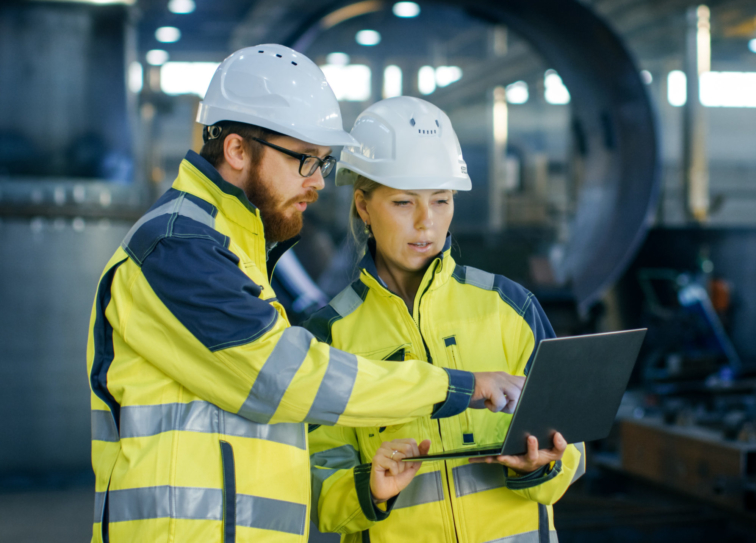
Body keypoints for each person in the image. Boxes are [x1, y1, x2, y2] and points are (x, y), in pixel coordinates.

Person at [85, 45, 524, 543]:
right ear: (236, 150)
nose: (318, 182)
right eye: (305, 160)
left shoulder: (233, 246)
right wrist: (454, 386)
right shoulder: (178, 247)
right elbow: (285, 378)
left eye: (323, 162)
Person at [303, 96, 586, 543]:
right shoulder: (330, 335)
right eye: (402, 203)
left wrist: (544, 464)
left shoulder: (509, 306)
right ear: (363, 206)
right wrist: (370, 489)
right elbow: (317, 484)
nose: (426, 223)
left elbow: (573, 443)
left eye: (441, 200)